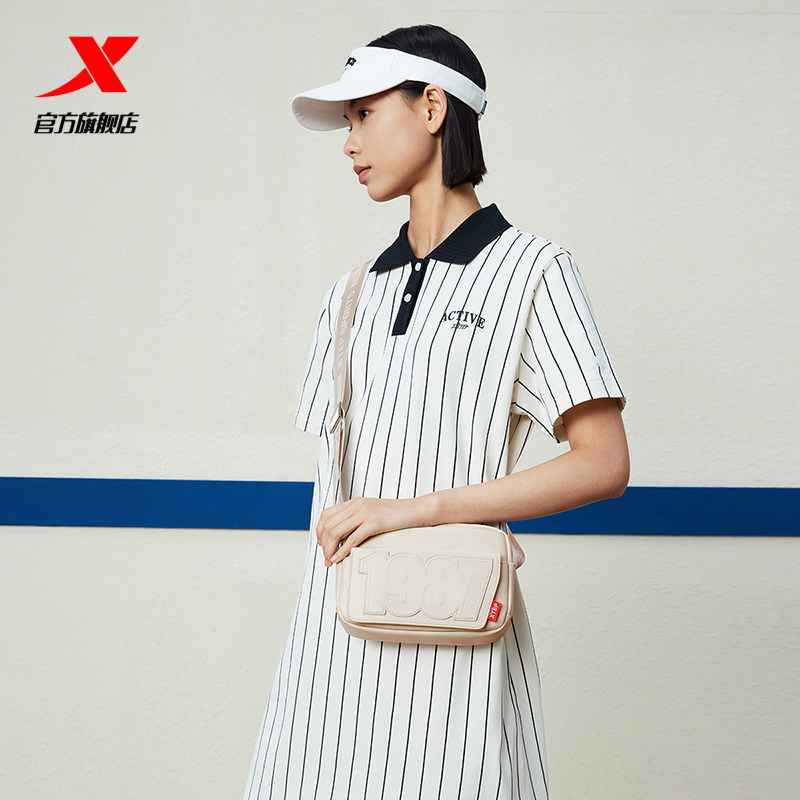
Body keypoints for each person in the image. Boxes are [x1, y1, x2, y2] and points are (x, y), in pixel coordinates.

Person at [242, 24, 629, 800]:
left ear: (431, 106)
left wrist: (417, 509)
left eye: (364, 113)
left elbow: (603, 463)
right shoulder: (351, 294)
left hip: (455, 630)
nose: (349, 142)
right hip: (331, 636)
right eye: (345, 121)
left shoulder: (534, 271)